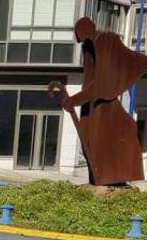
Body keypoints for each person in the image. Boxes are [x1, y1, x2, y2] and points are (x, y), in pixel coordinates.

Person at [57, 17, 147, 185]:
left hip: (104, 103)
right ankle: (100, 178)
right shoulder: (88, 46)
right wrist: (79, 100)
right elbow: (91, 79)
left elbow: (102, 82)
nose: (83, 41)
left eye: (82, 36)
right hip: (92, 104)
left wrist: (75, 100)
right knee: (88, 139)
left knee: (113, 135)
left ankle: (113, 179)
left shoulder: (106, 41)